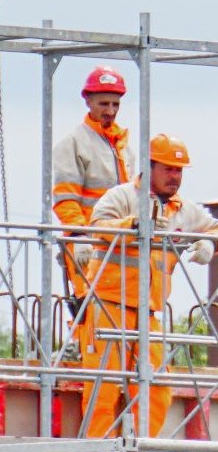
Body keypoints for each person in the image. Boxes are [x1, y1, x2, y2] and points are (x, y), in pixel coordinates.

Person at [78, 135, 218, 439]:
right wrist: (133, 226)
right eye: (169, 169)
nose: (175, 177)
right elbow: (97, 226)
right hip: (108, 308)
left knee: (156, 388)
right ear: (150, 167)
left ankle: (139, 449)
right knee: (103, 388)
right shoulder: (121, 198)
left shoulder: (182, 210)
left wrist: (210, 243)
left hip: (149, 313)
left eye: (179, 170)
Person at [50, 67, 131, 294]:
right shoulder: (74, 143)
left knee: (119, 315)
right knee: (91, 312)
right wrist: (78, 237)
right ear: (88, 101)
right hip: (89, 246)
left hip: (121, 244)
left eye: (115, 104)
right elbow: (66, 199)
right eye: (104, 104)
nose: (110, 110)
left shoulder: (123, 147)